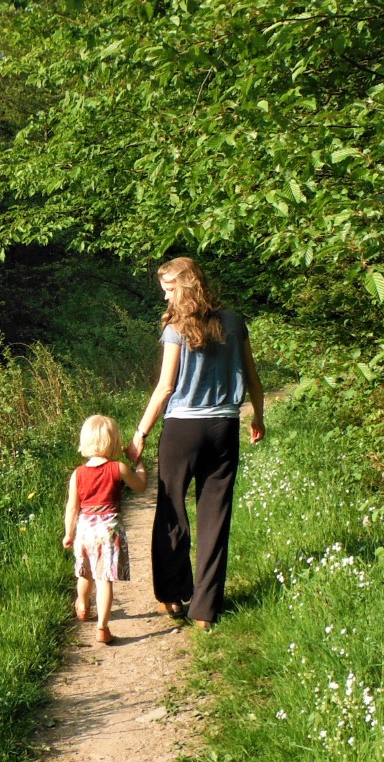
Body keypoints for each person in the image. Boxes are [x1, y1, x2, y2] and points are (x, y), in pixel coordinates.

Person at [127, 257, 265, 631]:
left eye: (169, 290)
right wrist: (258, 416)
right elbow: (253, 376)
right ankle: (205, 610)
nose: (166, 297)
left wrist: (140, 434)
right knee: (215, 516)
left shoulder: (176, 326)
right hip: (224, 428)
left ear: (186, 286)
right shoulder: (234, 321)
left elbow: (165, 387)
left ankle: (172, 596)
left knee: (171, 510)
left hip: (182, 431)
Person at [63, 414, 147, 644]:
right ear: (113, 442)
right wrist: (140, 464)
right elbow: (140, 486)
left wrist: (69, 533)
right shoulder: (118, 468)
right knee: (104, 579)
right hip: (108, 533)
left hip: (85, 532)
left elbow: (72, 507)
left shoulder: (77, 474)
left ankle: (82, 605)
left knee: (85, 572)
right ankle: (102, 627)